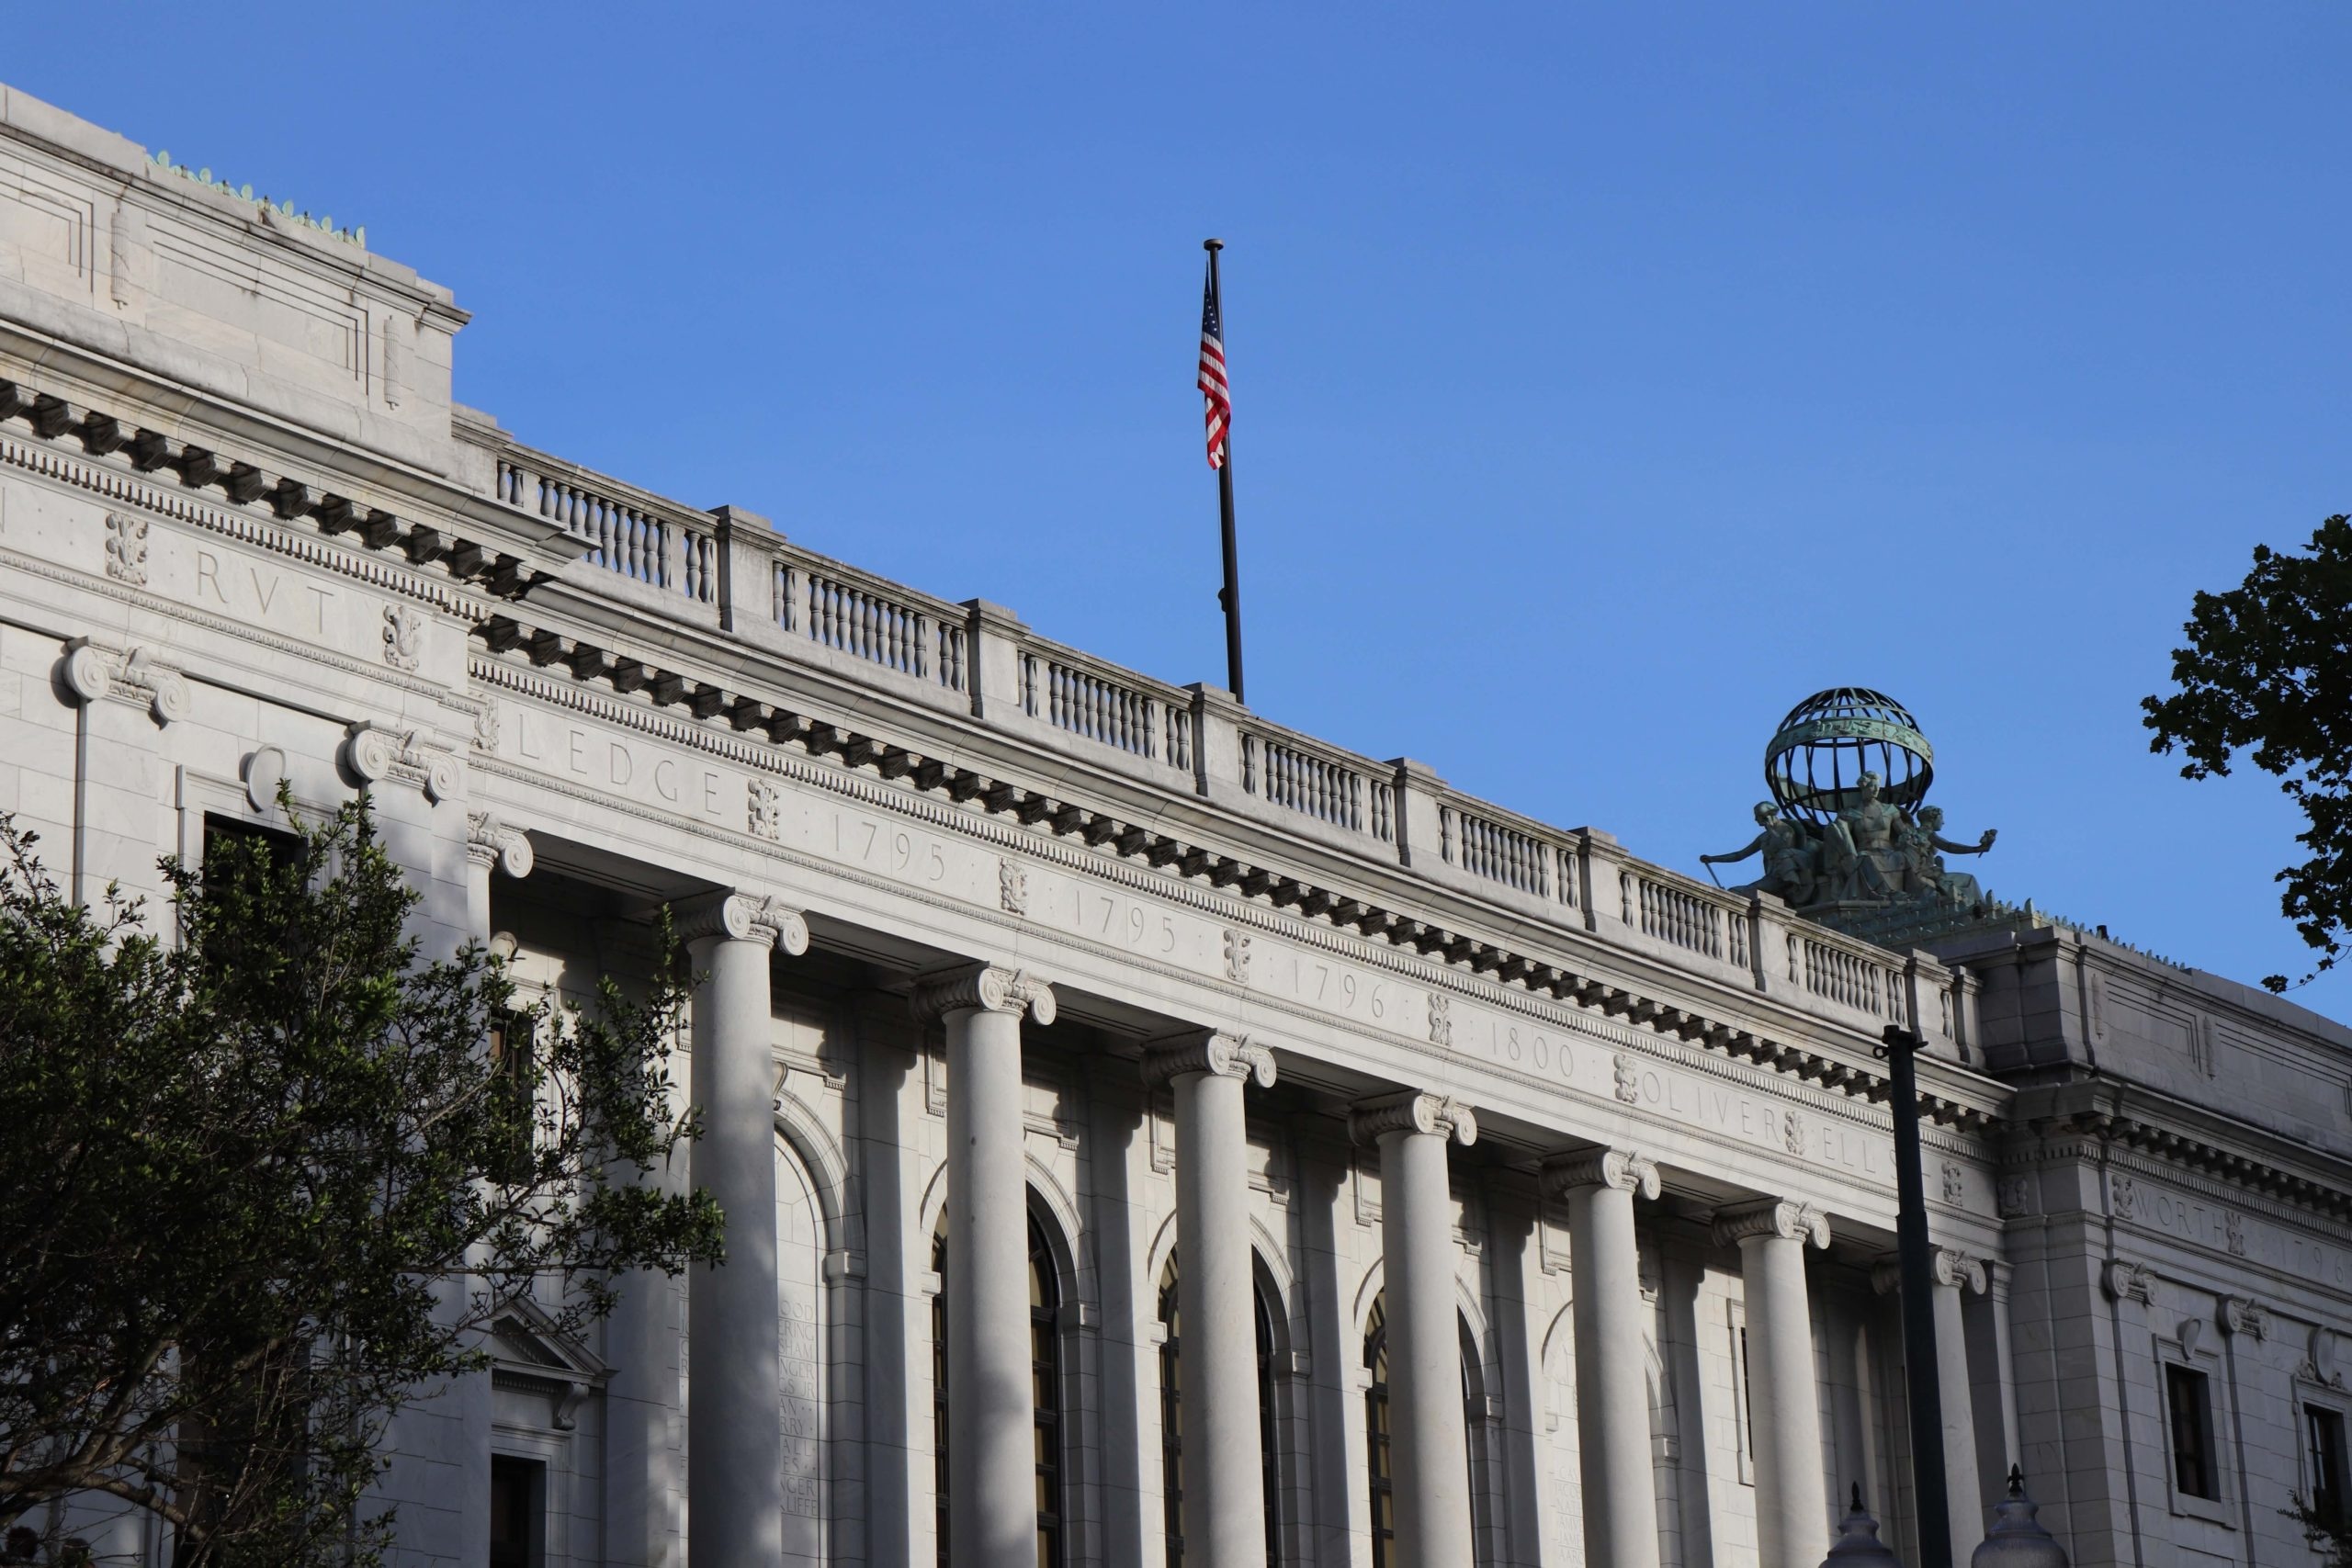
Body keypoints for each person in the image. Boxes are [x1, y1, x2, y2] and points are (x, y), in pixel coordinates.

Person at [1701, 802, 1819, 906]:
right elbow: (1740, 855)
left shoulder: (1787, 830)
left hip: (1780, 877)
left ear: (1765, 816)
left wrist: (1772, 831)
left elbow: (1785, 849)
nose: (1755, 819)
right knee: (1734, 891)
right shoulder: (1763, 837)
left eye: (1757, 816)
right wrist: (1713, 859)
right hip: (1771, 876)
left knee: (1737, 892)